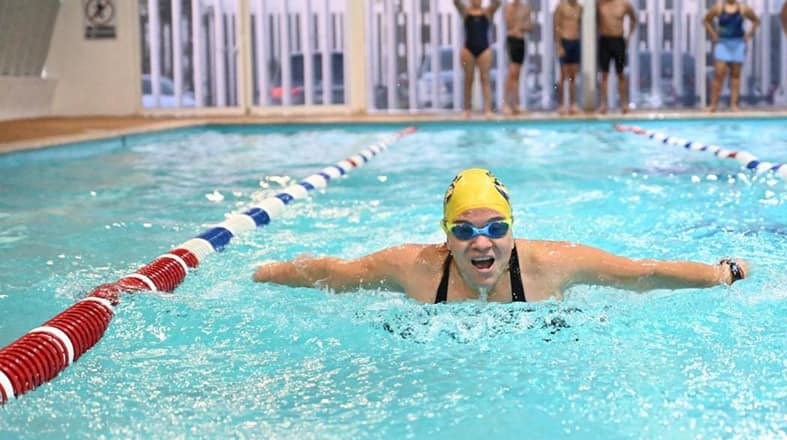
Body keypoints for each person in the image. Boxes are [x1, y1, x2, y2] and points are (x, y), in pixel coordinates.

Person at [253, 169, 750, 303]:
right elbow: (333, 275)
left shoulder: (552, 264)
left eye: (496, 228)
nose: (481, 242)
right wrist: (261, 274)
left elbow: (643, 274)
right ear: (446, 237)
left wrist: (719, 273)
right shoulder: (415, 269)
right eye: (465, 230)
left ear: (513, 229)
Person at [703, 0, 760, 112]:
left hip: (737, 43)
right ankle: (713, 104)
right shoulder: (719, 7)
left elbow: (756, 20)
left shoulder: (742, 8)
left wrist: (749, 35)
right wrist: (713, 35)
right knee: (719, 74)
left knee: (735, 75)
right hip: (723, 44)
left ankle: (734, 104)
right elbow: (706, 20)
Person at [453, 0, 502, 117]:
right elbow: (455, 0)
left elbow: (498, 1)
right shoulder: (466, 12)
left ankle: (488, 109)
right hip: (468, 49)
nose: (477, 0)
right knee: (468, 80)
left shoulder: (487, 12)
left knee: (485, 79)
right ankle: (467, 109)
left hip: (484, 49)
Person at [596, 0, 638, 114]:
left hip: (618, 41)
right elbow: (594, 20)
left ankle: (624, 104)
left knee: (621, 74)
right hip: (604, 41)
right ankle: (603, 104)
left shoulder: (623, 3)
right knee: (604, 75)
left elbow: (634, 18)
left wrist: (629, 37)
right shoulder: (599, 4)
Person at [554, 0, 583, 115]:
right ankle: (560, 104)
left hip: (575, 42)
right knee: (563, 76)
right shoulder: (561, 7)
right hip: (564, 42)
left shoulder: (580, 8)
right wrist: (559, 45)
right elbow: (556, 26)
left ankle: (572, 104)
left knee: (573, 77)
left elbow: (580, 26)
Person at [504, 0, 533, 115]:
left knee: (517, 74)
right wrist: (520, 25)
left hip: (521, 41)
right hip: (512, 41)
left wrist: (521, 27)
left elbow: (530, 27)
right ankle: (506, 103)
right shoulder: (509, 7)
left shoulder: (526, 8)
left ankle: (515, 104)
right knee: (512, 73)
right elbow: (509, 23)